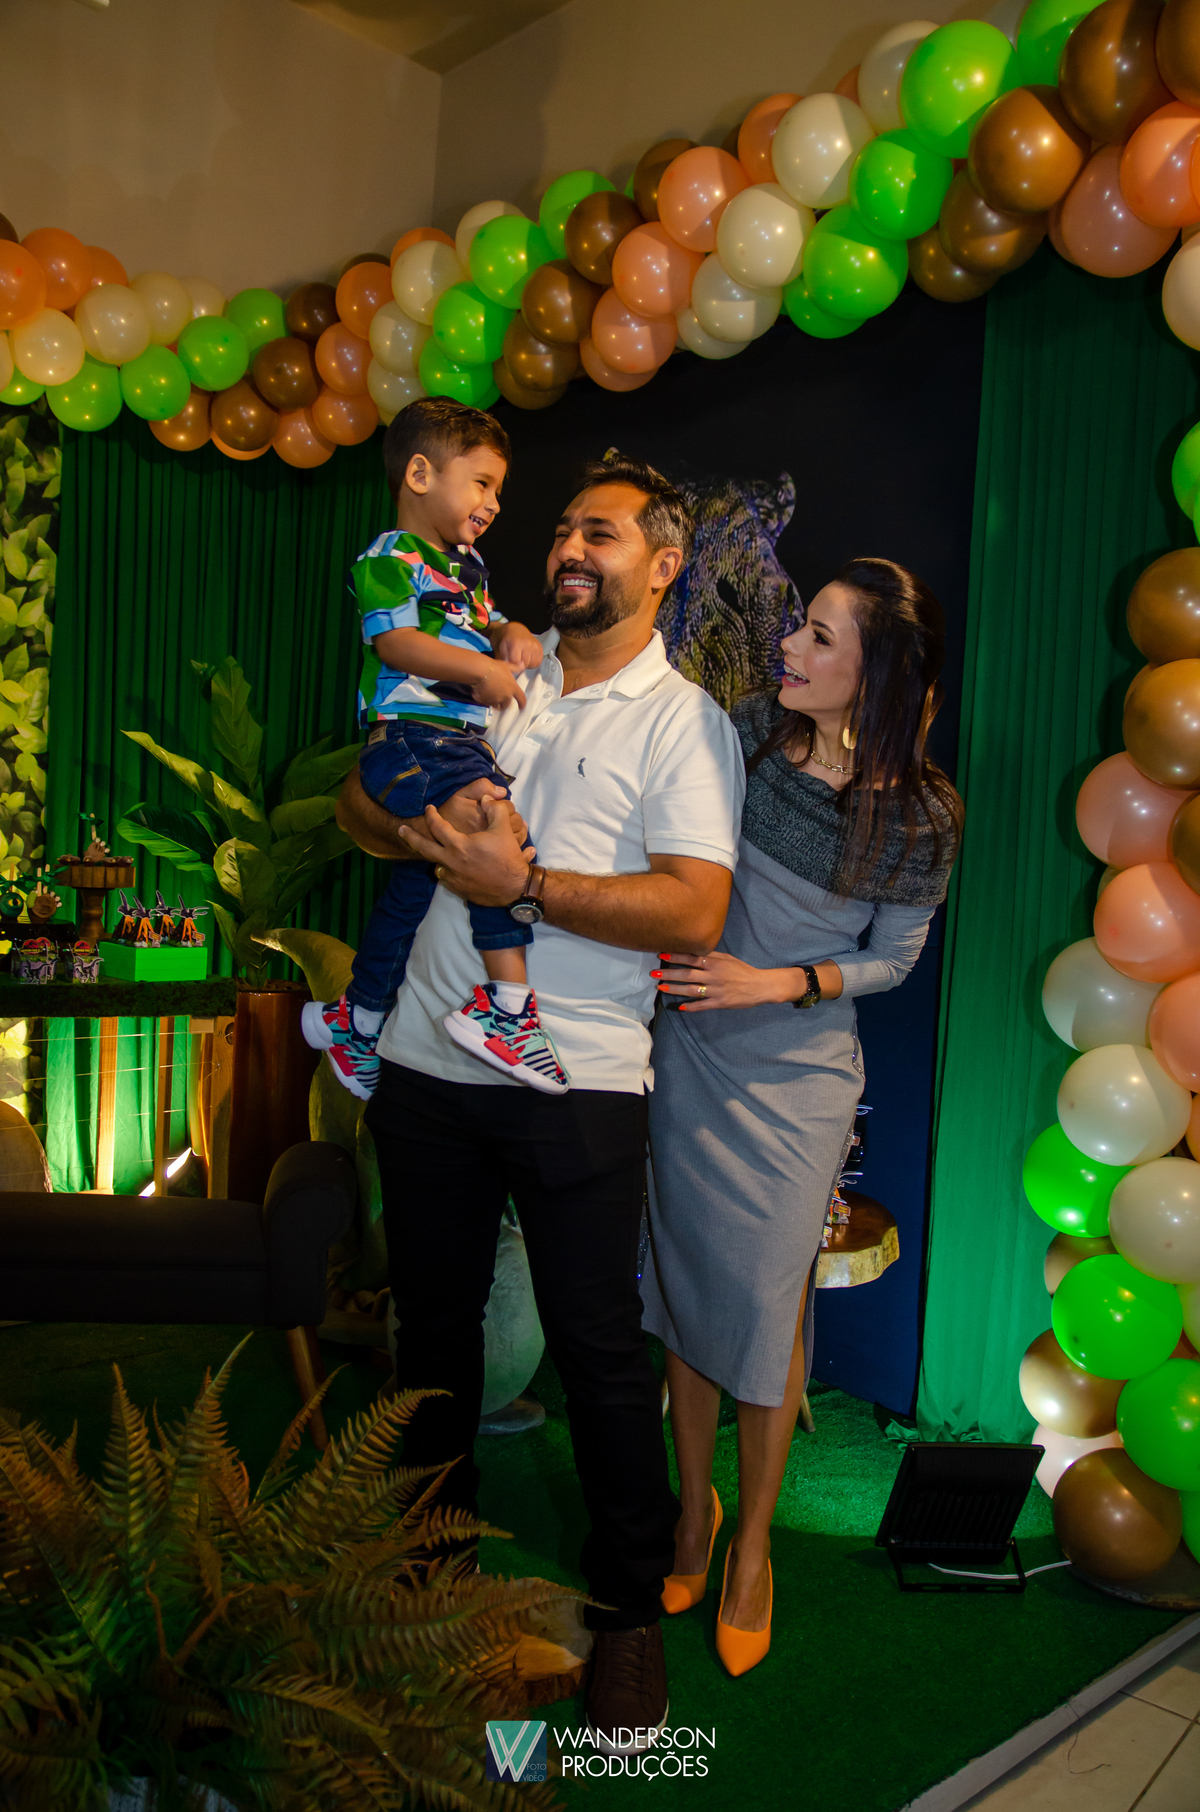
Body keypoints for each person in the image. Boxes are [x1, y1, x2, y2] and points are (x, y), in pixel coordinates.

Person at [335, 453, 745, 1749]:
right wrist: (418, 835)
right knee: (430, 1341)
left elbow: (695, 907)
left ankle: (626, 1617)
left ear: (663, 566)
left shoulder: (682, 721)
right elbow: (360, 804)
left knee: (598, 1356)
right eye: (564, 526)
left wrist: (523, 887)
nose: (568, 546)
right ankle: (426, 1582)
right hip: (426, 1066)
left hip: (576, 1081)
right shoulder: (488, 676)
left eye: (601, 533)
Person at [642, 557, 963, 1678]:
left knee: (768, 1308)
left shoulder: (921, 813)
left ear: (879, 674)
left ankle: (751, 1551)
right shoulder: (742, 733)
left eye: (820, 636)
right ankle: (693, 1517)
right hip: (690, 1050)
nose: (789, 644)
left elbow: (894, 959)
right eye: (800, 626)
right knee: (685, 1289)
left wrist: (775, 982)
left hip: (798, 1079)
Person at [301, 397, 567, 1101]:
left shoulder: (466, 565)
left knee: (417, 885)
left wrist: (509, 632)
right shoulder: (389, 557)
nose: (494, 503)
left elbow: (483, 621)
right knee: (494, 837)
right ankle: (508, 1011)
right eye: (482, 483)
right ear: (420, 474)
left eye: (499, 490)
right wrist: (478, 669)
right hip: (415, 736)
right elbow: (395, 642)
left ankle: (357, 1020)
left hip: (454, 740)